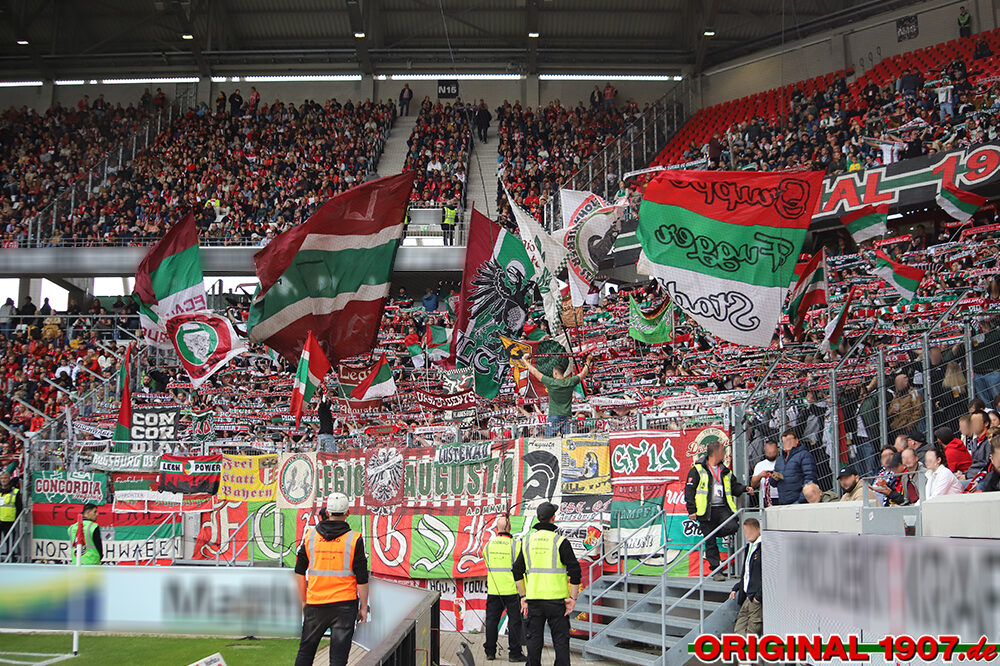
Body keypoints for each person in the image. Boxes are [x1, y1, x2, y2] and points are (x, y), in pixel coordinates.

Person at [294, 493, 369, 666]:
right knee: (338, 659)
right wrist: (363, 607)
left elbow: (299, 571)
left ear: (327, 512)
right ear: (347, 513)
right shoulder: (354, 539)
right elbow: (362, 578)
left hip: (316, 604)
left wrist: (304, 601)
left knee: (305, 653)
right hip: (345, 605)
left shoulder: (310, 536)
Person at [513, 502, 581, 666]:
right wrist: (573, 598)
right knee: (561, 642)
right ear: (553, 518)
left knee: (534, 642)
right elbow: (575, 570)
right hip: (557, 602)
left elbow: (516, 570)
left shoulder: (526, 541)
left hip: (534, 600)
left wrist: (523, 596)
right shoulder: (560, 541)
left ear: (538, 518)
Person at [684, 438, 752, 581]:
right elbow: (689, 491)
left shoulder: (725, 471)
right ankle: (716, 571)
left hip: (722, 509)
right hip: (705, 512)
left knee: (732, 525)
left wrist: (745, 488)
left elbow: (734, 487)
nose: (725, 453)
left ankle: (715, 535)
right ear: (715, 452)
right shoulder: (697, 469)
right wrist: (692, 510)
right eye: (723, 451)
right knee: (710, 542)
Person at [483, 515, 527, 662]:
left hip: (494, 590)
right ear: (509, 528)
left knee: (491, 621)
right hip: (512, 590)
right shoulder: (516, 545)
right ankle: (514, 653)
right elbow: (520, 567)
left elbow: (487, 562)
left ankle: (490, 652)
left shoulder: (488, 545)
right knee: (514, 622)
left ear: (497, 528)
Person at [522, 350, 593, 437]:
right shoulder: (570, 381)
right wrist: (588, 360)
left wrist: (525, 360)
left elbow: (534, 372)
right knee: (567, 440)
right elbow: (583, 373)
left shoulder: (551, 382)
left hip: (554, 416)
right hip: (567, 416)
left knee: (550, 441)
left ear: (555, 373)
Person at [729, 518, 762, 635]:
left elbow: (768, 575)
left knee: (752, 632)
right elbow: (747, 572)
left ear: (758, 530)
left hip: (756, 597)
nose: (748, 535)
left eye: (751, 531)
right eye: (745, 532)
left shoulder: (763, 547)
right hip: (747, 595)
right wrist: (737, 587)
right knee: (739, 629)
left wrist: (758, 597)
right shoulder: (749, 547)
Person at [771, 429, 817, 504]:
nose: (787, 443)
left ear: (797, 440)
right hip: (783, 502)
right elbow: (772, 483)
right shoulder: (780, 459)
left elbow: (810, 478)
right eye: (785, 441)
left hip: (798, 502)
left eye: (790, 440)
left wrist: (801, 500)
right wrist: (773, 479)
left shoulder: (804, 455)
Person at [750, 440, 780, 507]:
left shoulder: (782, 462)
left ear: (777, 450)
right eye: (768, 452)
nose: (770, 454)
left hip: (780, 496)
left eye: (772, 451)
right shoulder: (760, 465)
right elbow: (753, 484)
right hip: (765, 497)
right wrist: (760, 476)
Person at [0, 470, 21, 551]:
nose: (3, 480)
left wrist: (16, 518)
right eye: (1, 478)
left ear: (9, 479)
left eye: (5, 478)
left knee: (9, 541)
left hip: (9, 520)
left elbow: (19, 507)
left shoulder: (15, 491)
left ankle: (11, 557)